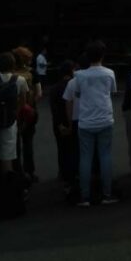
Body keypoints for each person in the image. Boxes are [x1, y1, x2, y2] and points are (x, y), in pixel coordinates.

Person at [64, 41, 118, 206]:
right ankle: (107, 194)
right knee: (105, 156)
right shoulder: (109, 73)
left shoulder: (79, 75)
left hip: (86, 120)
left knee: (85, 158)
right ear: (102, 55)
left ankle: (85, 196)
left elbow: (78, 93)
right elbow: (112, 91)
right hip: (105, 118)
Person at [0, 52, 30, 176]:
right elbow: (23, 102)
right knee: (8, 155)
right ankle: (8, 186)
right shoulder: (20, 80)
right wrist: (15, 113)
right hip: (10, 120)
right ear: (13, 64)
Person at [12, 46, 40, 181]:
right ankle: (30, 171)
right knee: (28, 142)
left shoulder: (10, 74)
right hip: (29, 111)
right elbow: (39, 92)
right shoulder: (32, 73)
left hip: (13, 111)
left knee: (14, 143)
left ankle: (17, 172)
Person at [50, 61, 78, 192]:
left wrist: (59, 124)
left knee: (62, 149)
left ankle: (64, 174)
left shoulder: (55, 88)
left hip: (60, 122)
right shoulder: (74, 85)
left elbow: (54, 109)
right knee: (75, 148)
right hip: (74, 120)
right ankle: (75, 174)